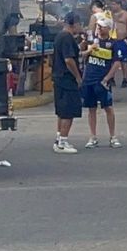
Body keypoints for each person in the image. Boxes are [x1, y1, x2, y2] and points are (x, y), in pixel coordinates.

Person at [81, 17, 122, 149]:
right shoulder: (91, 41)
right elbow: (81, 55)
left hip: (103, 81)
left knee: (108, 108)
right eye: (98, 26)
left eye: (102, 26)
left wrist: (107, 78)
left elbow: (116, 63)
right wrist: (89, 49)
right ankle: (93, 137)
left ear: (108, 29)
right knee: (91, 108)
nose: (99, 28)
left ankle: (113, 137)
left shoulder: (113, 44)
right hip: (89, 79)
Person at [51, 13, 85, 155]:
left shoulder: (61, 36)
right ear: (74, 24)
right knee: (68, 112)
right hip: (66, 78)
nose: (81, 27)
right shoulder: (66, 37)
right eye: (79, 24)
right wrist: (78, 77)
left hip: (59, 77)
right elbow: (69, 60)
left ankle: (59, 138)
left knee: (62, 111)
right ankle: (62, 142)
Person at [107, 0, 127, 88]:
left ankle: (125, 79)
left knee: (124, 61)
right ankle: (111, 78)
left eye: (113, 4)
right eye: (111, 4)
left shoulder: (126, 15)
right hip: (111, 39)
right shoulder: (109, 14)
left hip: (122, 40)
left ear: (119, 5)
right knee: (111, 60)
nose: (112, 6)